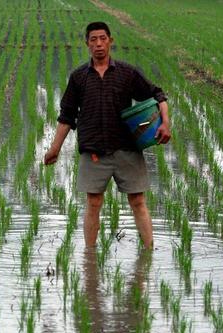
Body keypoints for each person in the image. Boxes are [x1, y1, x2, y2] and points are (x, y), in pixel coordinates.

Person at [43, 21, 171, 249]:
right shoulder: (78, 77)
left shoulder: (127, 73)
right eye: (93, 40)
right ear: (87, 44)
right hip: (93, 151)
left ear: (110, 41)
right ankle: (90, 256)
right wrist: (55, 148)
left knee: (138, 201)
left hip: (127, 148)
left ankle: (149, 252)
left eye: (103, 38)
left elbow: (158, 95)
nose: (99, 44)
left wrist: (165, 124)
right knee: (93, 203)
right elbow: (67, 116)